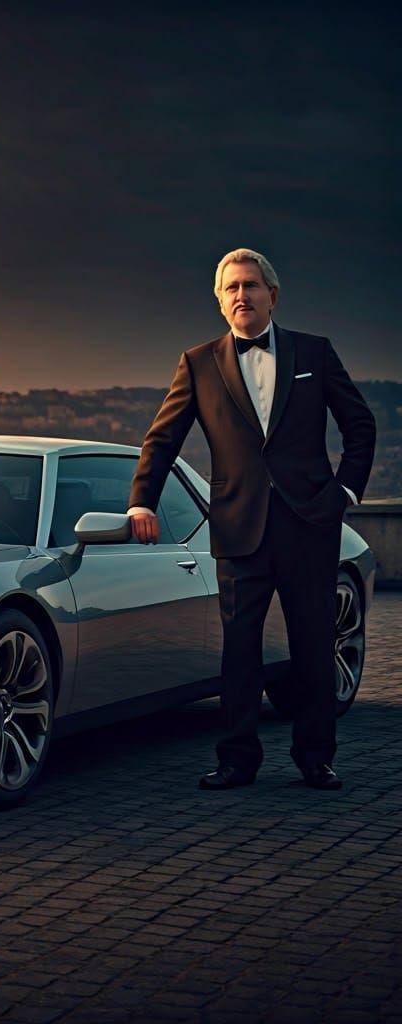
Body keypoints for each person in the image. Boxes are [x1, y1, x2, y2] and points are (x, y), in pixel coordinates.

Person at [127, 248, 376, 790]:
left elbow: (360, 424)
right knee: (239, 650)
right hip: (239, 528)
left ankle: (316, 757)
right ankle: (237, 760)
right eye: (232, 288)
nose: (242, 295)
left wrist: (344, 492)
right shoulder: (197, 363)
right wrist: (142, 501)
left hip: (310, 525)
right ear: (220, 301)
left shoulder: (315, 352)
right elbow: (163, 438)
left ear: (273, 296)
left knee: (313, 645)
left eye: (252, 285)